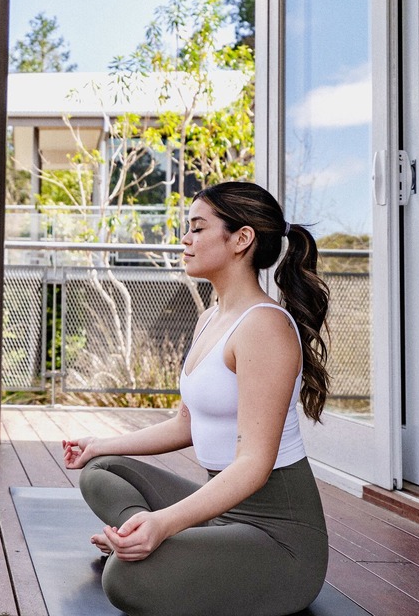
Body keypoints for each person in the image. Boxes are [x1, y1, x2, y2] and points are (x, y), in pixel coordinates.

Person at [62, 181, 331, 616]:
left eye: (198, 228)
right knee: (101, 470)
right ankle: (139, 538)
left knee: (125, 580)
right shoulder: (210, 318)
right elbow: (186, 424)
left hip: (278, 539)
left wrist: (164, 524)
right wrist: (99, 444)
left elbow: (254, 465)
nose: (185, 239)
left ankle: (150, 544)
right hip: (220, 512)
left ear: (241, 239)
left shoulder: (264, 327)